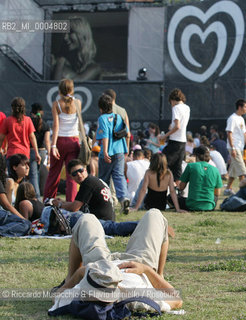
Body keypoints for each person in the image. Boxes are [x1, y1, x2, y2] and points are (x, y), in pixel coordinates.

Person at [49, 209, 182, 313]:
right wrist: (147, 270)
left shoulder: (84, 294)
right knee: (155, 215)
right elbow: (176, 299)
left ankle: (68, 276)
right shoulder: (135, 300)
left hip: (98, 264)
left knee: (86, 219)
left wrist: (78, 274)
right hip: (138, 264)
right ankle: (160, 276)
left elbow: (57, 296)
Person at [44, 79, 81, 203]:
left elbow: (56, 126)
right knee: (73, 174)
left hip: (60, 142)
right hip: (74, 141)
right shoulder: (78, 103)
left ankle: (48, 200)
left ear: (59, 90)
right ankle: (71, 203)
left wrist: (53, 145)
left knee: (54, 173)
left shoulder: (56, 104)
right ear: (72, 89)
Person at [96, 94, 130, 215]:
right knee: (119, 176)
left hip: (108, 152)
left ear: (101, 108)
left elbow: (105, 135)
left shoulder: (102, 119)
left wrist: (105, 151)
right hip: (120, 150)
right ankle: (124, 198)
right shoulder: (118, 117)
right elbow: (125, 133)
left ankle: (104, 202)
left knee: (104, 179)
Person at [170, 146, 222, 211]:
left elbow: (181, 187)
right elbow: (217, 193)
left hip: (192, 205)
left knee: (170, 197)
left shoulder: (191, 166)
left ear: (196, 156)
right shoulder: (215, 170)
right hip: (209, 205)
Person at [0, 97, 40, 177]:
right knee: (23, 179)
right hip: (24, 154)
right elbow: (32, 137)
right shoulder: (28, 120)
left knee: (11, 178)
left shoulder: (8, 121)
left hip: (12, 153)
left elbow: (1, 138)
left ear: (12, 108)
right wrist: (36, 152)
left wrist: (1, 148)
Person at [52, 16, 101, 81]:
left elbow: (75, 84)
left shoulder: (94, 68)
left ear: (82, 35)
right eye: (64, 34)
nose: (65, 38)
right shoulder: (60, 61)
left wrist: (60, 63)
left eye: (70, 33)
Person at [160, 89, 191, 184]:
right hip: (182, 141)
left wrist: (165, 136)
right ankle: (178, 191)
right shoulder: (187, 108)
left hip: (175, 141)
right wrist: (171, 127)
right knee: (177, 168)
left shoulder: (176, 108)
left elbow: (177, 126)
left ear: (172, 100)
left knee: (162, 162)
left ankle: (161, 185)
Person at [224, 99, 246, 195]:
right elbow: (229, 133)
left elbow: (244, 134)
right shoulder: (232, 118)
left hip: (240, 147)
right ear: (240, 107)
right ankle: (244, 192)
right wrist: (233, 148)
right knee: (242, 170)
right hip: (234, 148)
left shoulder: (241, 119)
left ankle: (227, 189)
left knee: (234, 171)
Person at [28, 103, 51, 198]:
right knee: (36, 173)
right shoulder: (45, 125)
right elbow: (47, 141)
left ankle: (36, 197)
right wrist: (49, 154)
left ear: (31, 112)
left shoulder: (29, 122)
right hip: (42, 152)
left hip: (31, 151)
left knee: (33, 175)